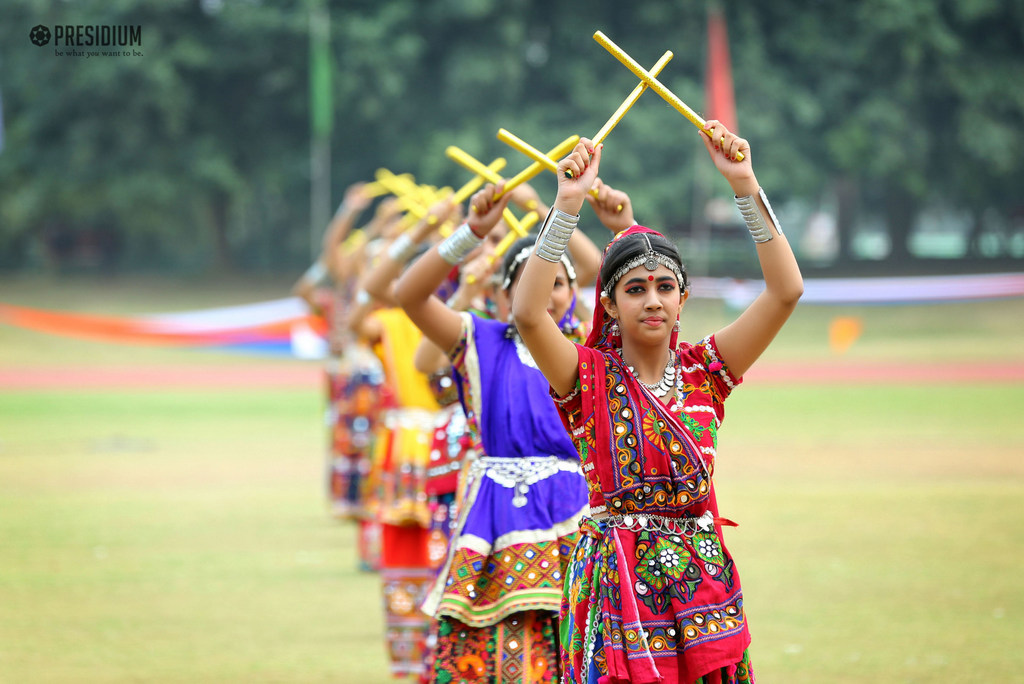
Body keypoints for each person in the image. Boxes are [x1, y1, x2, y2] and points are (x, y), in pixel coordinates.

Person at [510, 125, 804, 683]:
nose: (653, 300)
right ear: (611, 306)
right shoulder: (587, 377)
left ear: (683, 299)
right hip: (615, 585)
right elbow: (529, 315)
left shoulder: (706, 371)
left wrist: (744, 185)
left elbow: (785, 292)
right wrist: (567, 204)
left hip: (702, 586)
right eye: (635, 289)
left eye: (665, 287)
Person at [392, 185, 595, 684]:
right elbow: (409, 296)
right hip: (495, 513)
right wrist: (473, 232)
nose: (545, 293)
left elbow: (607, 271)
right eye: (528, 282)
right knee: (497, 645)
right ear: (505, 296)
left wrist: (608, 221)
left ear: (573, 294)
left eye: (557, 282)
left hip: (576, 512)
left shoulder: (588, 351)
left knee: (582, 641)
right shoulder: (481, 341)